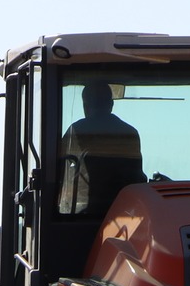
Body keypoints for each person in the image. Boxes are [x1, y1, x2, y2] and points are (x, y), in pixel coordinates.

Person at [60, 82, 145, 218]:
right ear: (111, 104)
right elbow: (135, 177)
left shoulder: (75, 132)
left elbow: (59, 172)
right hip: (122, 213)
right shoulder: (129, 133)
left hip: (79, 216)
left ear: (85, 106)